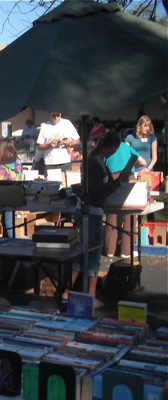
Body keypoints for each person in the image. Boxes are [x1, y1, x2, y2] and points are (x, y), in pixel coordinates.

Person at [67, 132, 130, 300]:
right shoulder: (95, 164)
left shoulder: (99, 162)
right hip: (92, 211)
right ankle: (88, 295)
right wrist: (116, 183)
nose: (115, 152)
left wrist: (116, 179)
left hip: (94, 211)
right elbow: (98, 193)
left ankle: (73, 292)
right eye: (115, 149)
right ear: (110, 147)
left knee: (86, 253)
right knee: (92, 254)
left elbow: (104, 184)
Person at [103, 142, 146, 258]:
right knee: (130, 213)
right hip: (128, 176)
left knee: (112, 213)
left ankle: (109, 249)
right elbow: (143, 162)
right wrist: (134, 167)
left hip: (112, 177)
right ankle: (126, 251)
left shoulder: (106, 147)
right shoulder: (127, 146)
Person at [35, 112, 80, 176]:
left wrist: (69, 143)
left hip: (65, 162)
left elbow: (77, 141)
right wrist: (49, 145)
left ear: (60, 114)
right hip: (50, 163)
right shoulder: (45, 126)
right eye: (54, 116)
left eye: (58, 115)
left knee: (66, 185)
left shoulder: (67, 123)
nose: (56, 118)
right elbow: (39, 146)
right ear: (50, 115)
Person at [0, 139, 22, 238]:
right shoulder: (18, 161)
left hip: (6, 195)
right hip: (16, 192)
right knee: (9, 220)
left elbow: (0, 180)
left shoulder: (3, 165)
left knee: (8, 223)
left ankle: (11, 243)